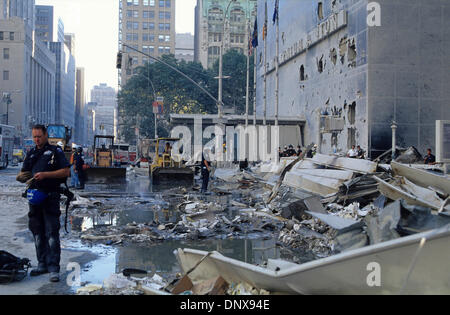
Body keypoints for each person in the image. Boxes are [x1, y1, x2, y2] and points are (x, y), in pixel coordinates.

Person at [17, 125, 70, 283]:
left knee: (52, 234)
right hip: (34, 199)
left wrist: (46, 175)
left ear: (46, 135)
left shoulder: (55, 152)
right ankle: (42, 264)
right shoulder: (31, 152)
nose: (37, 140)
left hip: (50, 197)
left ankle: (54, 268)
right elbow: (24, 171)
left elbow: (66, 172)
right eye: (34, 137)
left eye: (39, 136)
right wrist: (23, 176)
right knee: (37, 232)